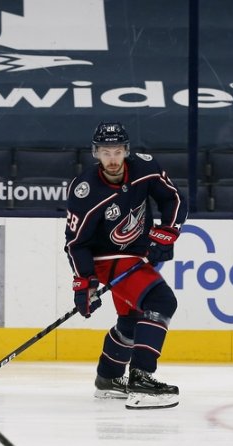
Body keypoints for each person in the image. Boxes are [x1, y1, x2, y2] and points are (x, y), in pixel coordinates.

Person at [64, 122, 188, 410]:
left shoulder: (146, 168)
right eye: (105, 152)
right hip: (106, 259)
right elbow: (76, 243)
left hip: (136, 253)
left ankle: (108, 378)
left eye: (117, 151)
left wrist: (167, 232)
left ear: (126, 151)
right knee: (161, 301)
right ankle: (142, 378)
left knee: (132, 321)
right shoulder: (85, 191)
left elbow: (174, 198)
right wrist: (85, 282)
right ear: (96, 153)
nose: (112, 159)